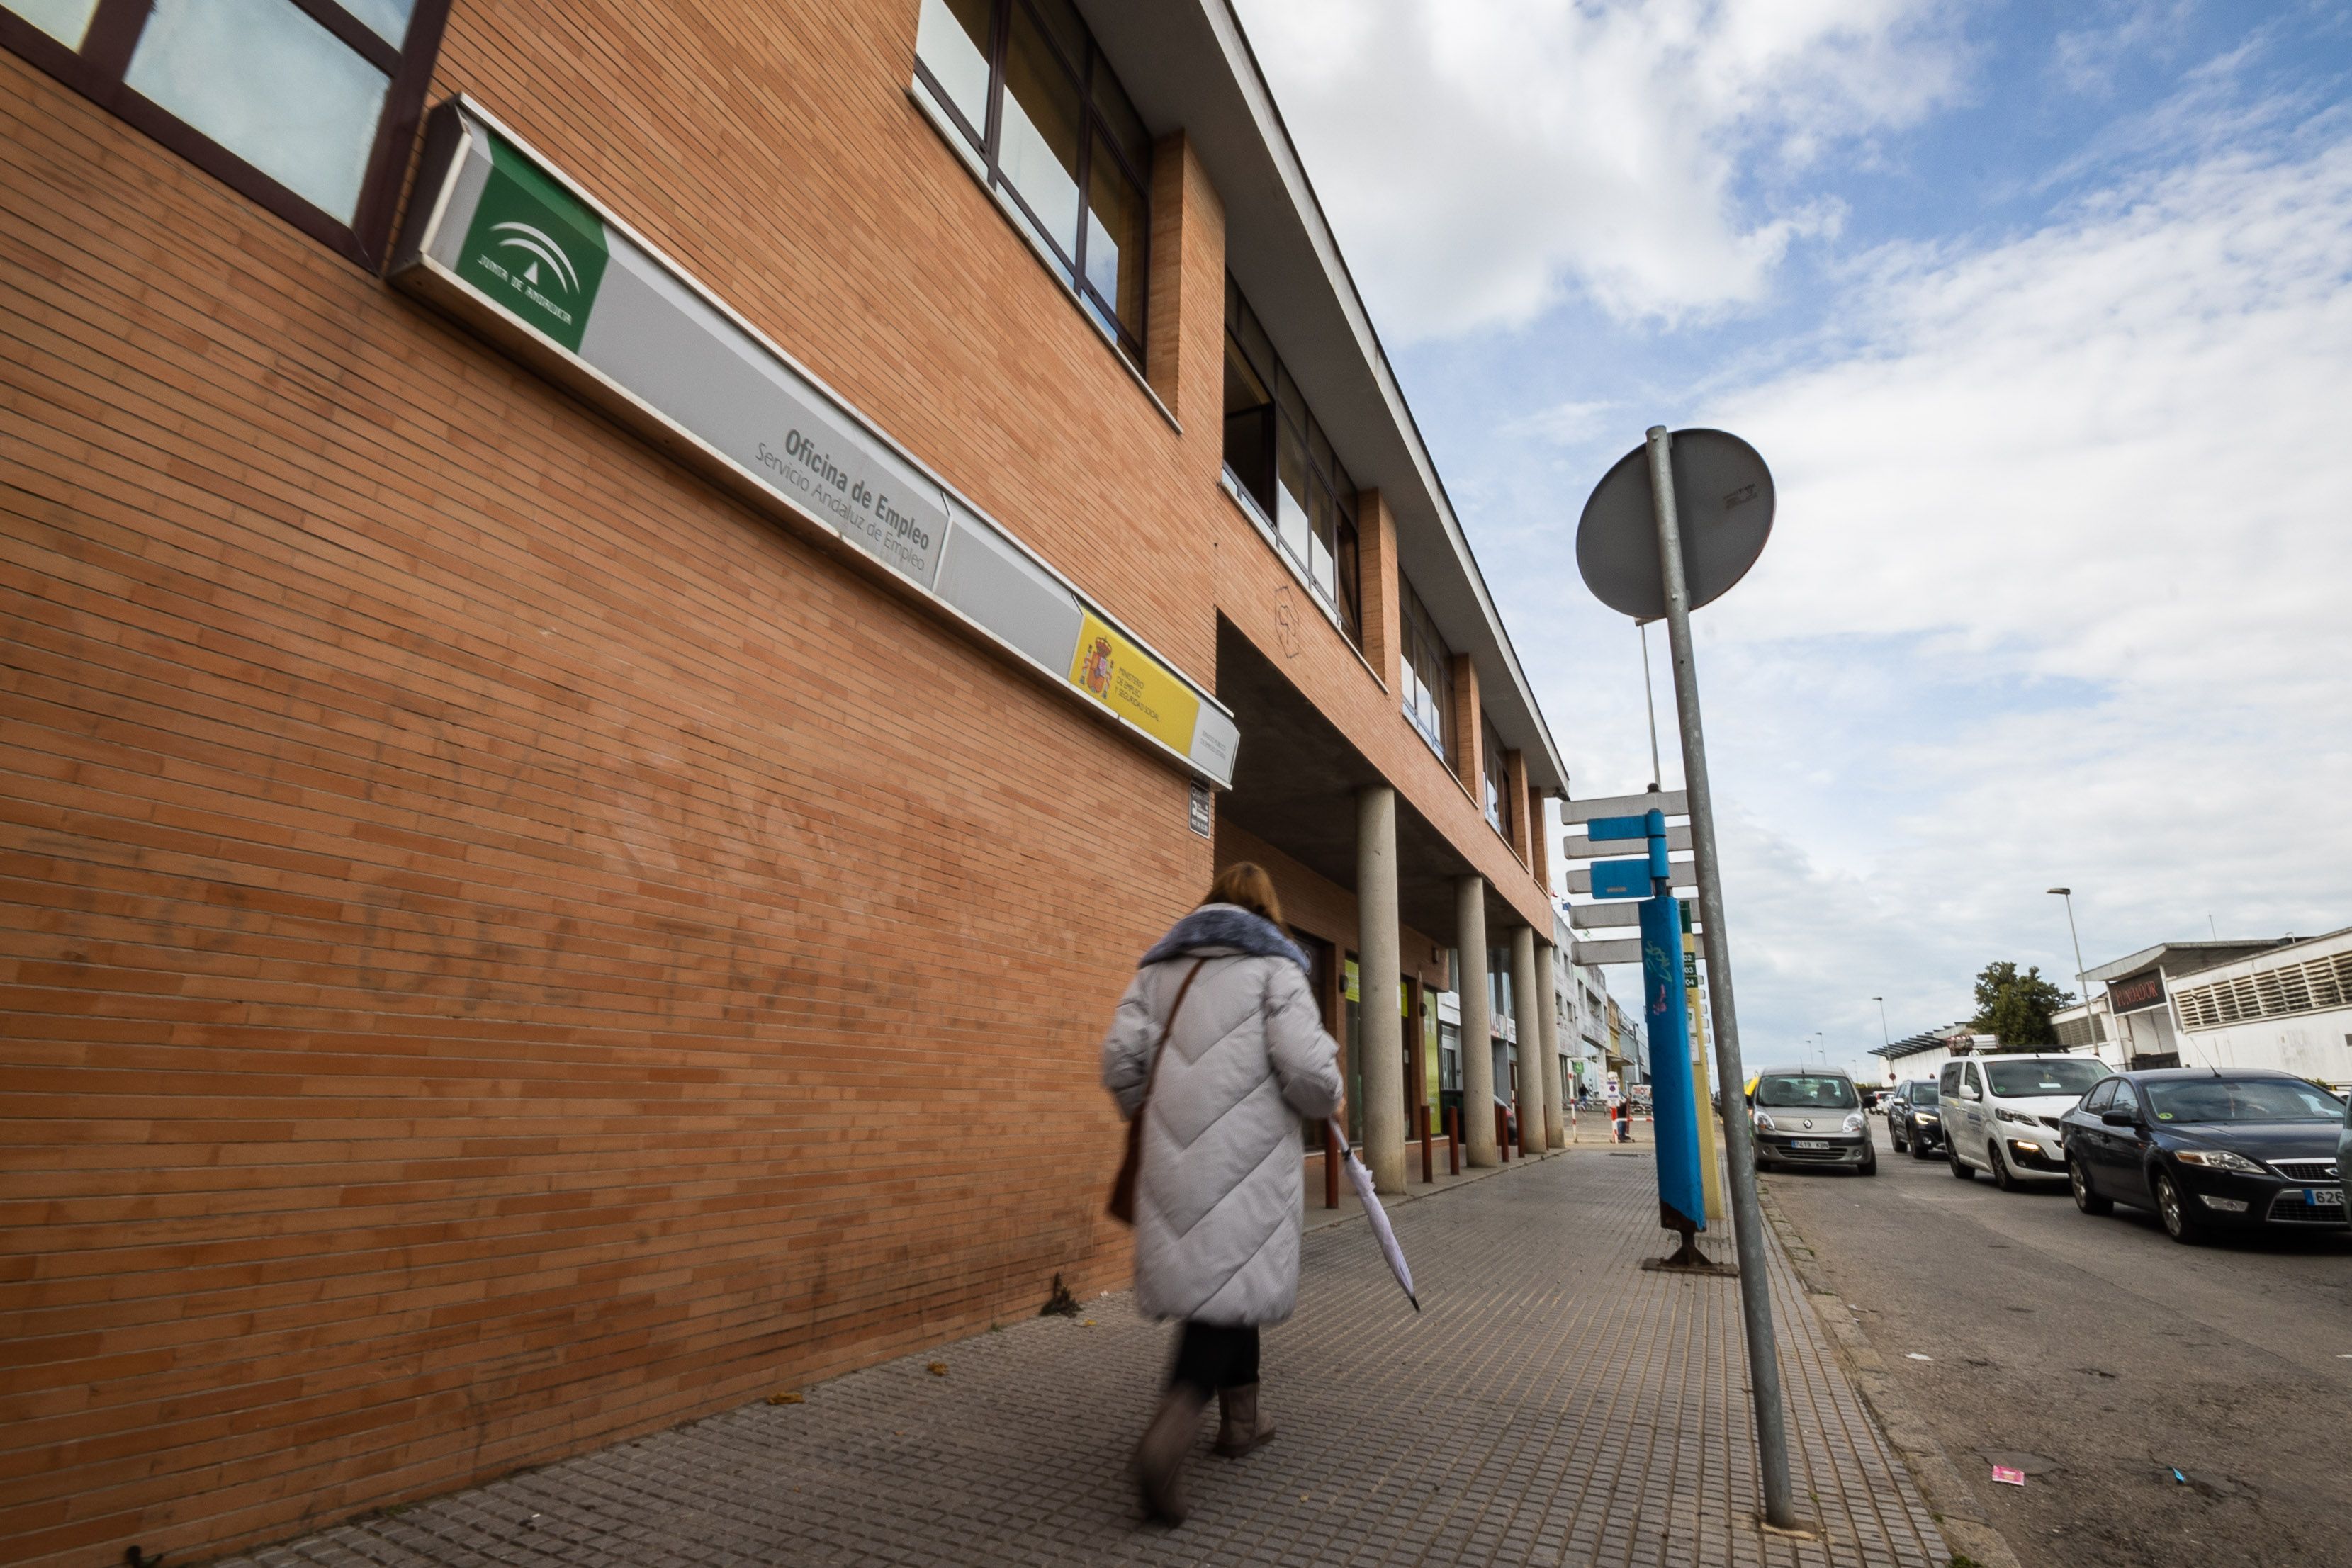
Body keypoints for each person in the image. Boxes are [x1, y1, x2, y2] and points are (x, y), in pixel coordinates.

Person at [1101, 863, 1343, 1525]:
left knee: (1226, 1282)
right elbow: (1310, 1075)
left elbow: (1119, 1060)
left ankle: (1244, 1422)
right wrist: (1325, 1100)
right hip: (1249, 1155)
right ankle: (1166, 1434)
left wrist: (1152, 1116)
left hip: (1173, 1159)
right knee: (1224, 1290)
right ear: (1269, 909)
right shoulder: (1277, 968)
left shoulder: (1159, 969)